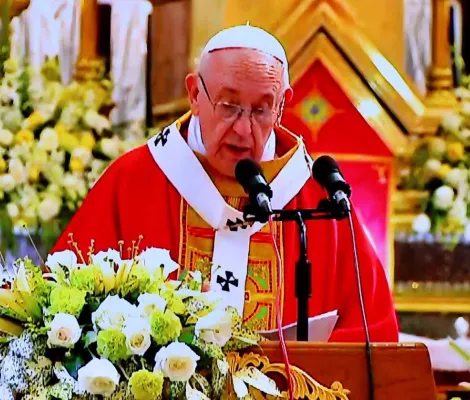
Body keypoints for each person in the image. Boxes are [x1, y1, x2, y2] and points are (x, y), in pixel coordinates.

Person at [51, 24, 398, 342]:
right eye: (229, 106)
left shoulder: (313, 197)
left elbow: (373, 335)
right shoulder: (134, 181)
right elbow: (62, 307)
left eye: (262, 110)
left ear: (282, 106)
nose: (244, 130)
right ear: (194, 95)